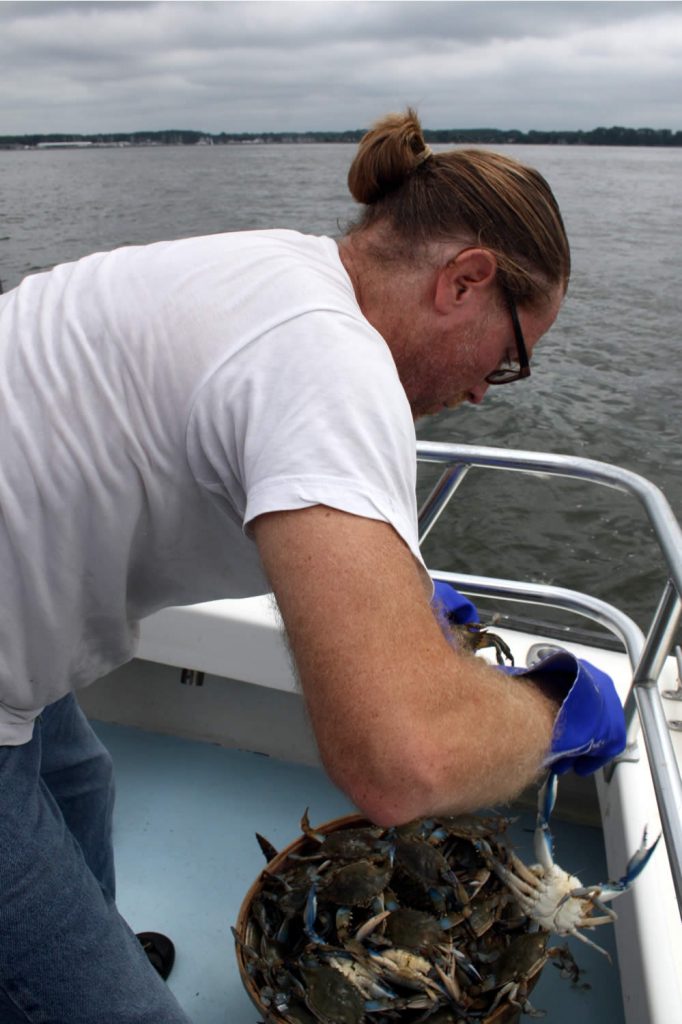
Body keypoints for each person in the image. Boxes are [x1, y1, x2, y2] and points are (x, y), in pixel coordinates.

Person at [0, 109, 624, 1023]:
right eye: (510, 358)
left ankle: (83, 945)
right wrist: (549, 715)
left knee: (81, 785)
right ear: (466, 280)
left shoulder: (281, 270)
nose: (484, 390)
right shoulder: (330, 364)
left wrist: (405, 598)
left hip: (19, 623)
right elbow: (398, 764)